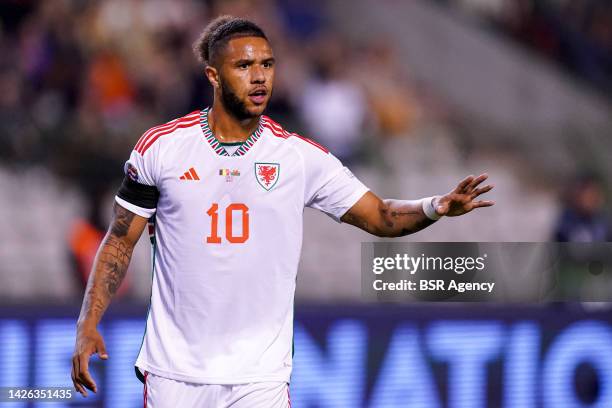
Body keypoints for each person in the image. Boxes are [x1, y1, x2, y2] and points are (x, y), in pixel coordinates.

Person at [71, 15, 494, 407]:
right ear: (213, 76)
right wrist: (88, 323)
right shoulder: (162, 149)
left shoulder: (297, 157)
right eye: (244, 66)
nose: (259, 77)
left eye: (268, 65)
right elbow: (119, 242)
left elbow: (381, 216)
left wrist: (436, 206)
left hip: (261, 379)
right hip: (175, 375)